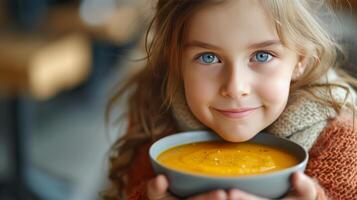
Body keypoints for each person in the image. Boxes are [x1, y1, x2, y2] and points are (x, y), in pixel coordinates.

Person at [103, 0, 357, 199]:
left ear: (300, 59)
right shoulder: (155, 119)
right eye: (208, 57)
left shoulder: (340, 140)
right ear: (176, 62)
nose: (235, 88)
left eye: (262, 56)